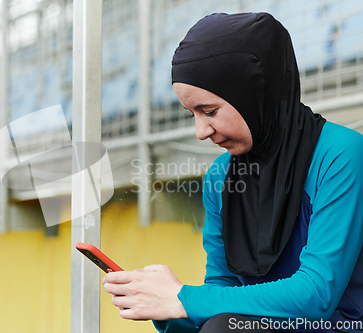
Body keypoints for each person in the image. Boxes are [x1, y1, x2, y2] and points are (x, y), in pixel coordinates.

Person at [102, 12, 363, 332]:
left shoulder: (341, 154)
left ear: (256, 93)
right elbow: (221, 294)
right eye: (192, 114)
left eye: (209, 111)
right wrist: (160, 306)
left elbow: (316, 295)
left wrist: (182, 298)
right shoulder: (220, 177)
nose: (200, 131)